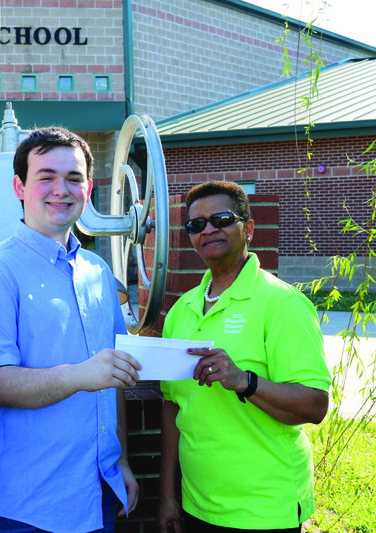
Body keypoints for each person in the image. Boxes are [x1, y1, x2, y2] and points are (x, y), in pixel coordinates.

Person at [0, 126, 141, 533]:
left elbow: (113, 378)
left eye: (74, 178)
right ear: (18, 186)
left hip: (96, 495)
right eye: (46, 176)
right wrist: (81, 374)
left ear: (88, 187)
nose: (61, 189)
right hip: (24, 507)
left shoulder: (97, 271)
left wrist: (122, 461)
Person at [157, 180, 331, 533]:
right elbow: (172, 407)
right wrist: (167, 497)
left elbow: (314, 406)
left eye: (221, 219)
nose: (208, 229)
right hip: (197, 503)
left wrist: (244, 381)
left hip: (264, 509)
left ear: (248, 228)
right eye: (196, 224)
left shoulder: (281, 305)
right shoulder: (181, 311)